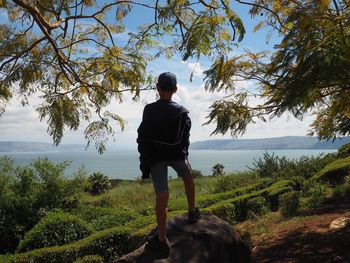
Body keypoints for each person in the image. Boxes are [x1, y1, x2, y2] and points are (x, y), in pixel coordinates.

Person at [137, 72, 200, 253]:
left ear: (157, 88)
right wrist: (183, 155)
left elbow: (143, 136)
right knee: (188, 176)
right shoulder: (182, 112)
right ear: (175, 89)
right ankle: (192, 211)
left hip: (156, 157)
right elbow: (185, 138)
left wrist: (145, 160)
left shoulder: (148, 110)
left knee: (162, 196)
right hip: (177, 155)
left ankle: (163, 238)